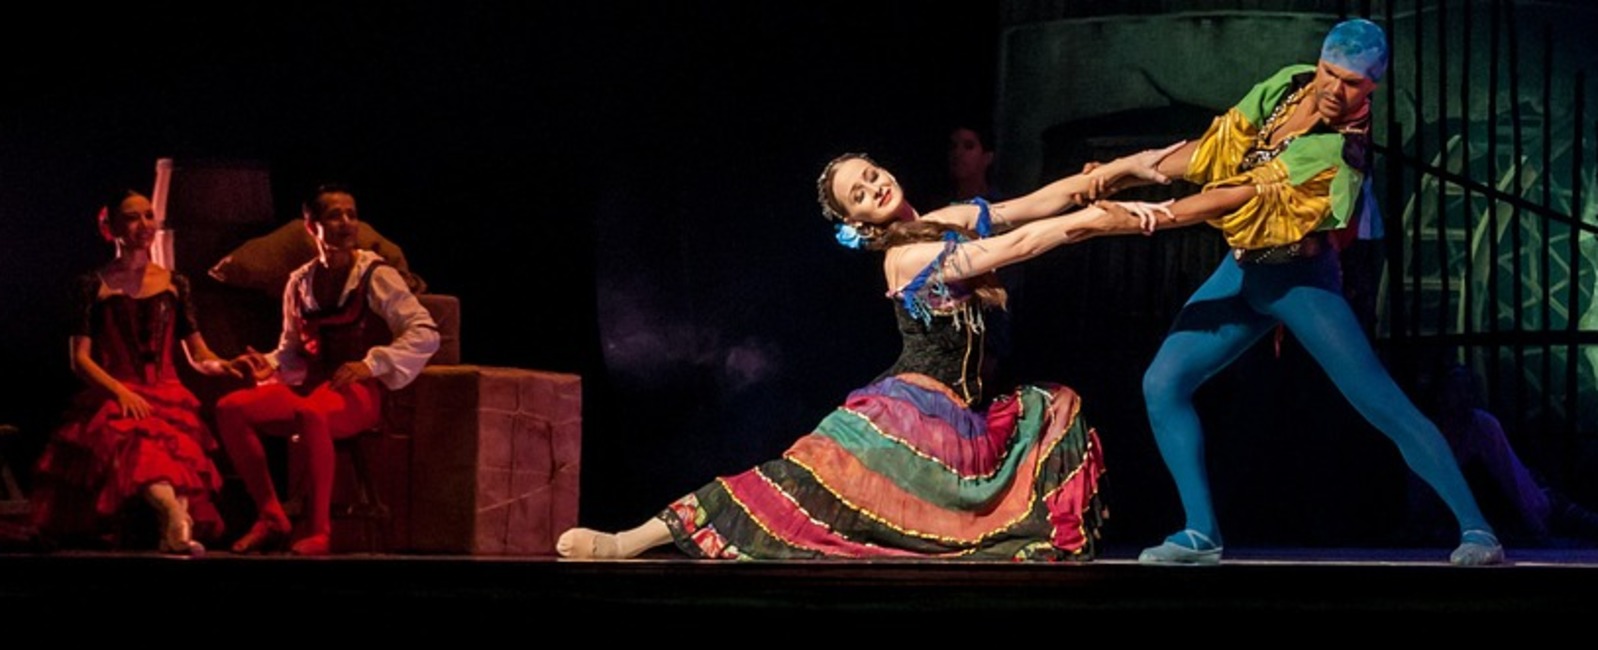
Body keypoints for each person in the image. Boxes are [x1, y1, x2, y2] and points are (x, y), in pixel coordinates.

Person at [554, 144, 1180, 561]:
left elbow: (1033, 205)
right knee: (790, 487)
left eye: (871, 175)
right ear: (857, 221)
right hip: (909, 414)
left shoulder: (942, 220)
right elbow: (1017, 245)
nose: (874, 187)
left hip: (969, 414)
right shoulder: (905, 256)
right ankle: (629, 541)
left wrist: (1124, 168)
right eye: (859, 193)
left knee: (1056, 407)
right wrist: (1103, 220)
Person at [1076, 18, 1505, 565]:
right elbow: (1213, 152)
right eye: (1330, 72)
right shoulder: (1288, 83)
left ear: (1372, 88)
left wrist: (1148, 216)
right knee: (1164, 381)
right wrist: (1124, 173)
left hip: (1299, 282)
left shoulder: (1340, 152)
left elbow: (1236, 195)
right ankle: (1201, 532)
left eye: (1352, 83)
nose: (1335, 89)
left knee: (1382, 404)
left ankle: (1478, 530)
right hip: (1243, 270)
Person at [216, 183, 439, 556]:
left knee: (311, 413)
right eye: (335, 216)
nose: (346, 223)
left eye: (352, 215)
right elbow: (291, 350)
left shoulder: (374, 274)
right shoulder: (299, 282)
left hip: (359, 393)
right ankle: (270, 514)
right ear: (311, 226)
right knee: (231, 408)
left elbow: (425, 332)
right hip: (313, 387)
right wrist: (267, 365)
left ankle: (320, 531)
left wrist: (371, 363)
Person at [28, 188, 238, 555]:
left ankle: (173, 530)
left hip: (168, 391)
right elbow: (80, 359)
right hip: (117, 389)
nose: (144, 224)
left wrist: (225, 365)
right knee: (139, 442)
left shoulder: (175, 282)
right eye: (132, 217)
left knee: (175, 450)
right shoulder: (92, 284)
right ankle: (174, 516)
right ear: (110, 227)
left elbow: (198, 353)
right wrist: (121, 393)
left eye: (148, 215)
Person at [1405, 361, 1598, 547]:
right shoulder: (1430, 433)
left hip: (1533, 503)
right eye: (1456, 389)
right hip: (1478, 519)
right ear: (1441, 395)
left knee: (1577, 518)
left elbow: (1512, 477)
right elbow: (1420, 487)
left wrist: (1534, 522)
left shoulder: (1481, 424)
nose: (1465, 396)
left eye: (1468, 389)